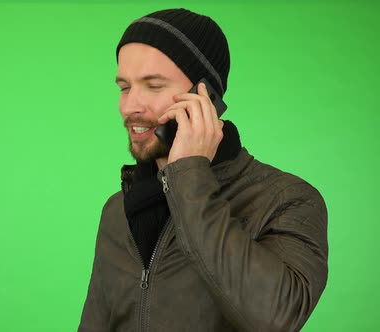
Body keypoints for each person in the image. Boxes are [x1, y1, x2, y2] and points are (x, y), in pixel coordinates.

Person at [78, 8, 328, 332]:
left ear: (205, 95)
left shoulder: (286, 200)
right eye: (125, 87)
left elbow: (276, 319)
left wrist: (188, 174)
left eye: (153, 85)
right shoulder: (117, 210)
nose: (129, 106)